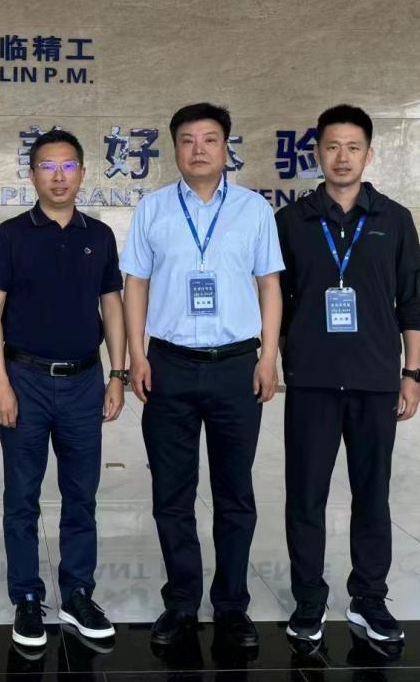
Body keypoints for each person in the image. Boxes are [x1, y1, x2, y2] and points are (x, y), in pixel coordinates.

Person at [120, 102, 284, 649]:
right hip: (168, 364)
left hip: (238, 366)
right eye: (187, 140)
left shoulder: (254, 210)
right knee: (172, 493)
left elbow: (269, 285)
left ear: (226, 147)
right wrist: (137, 355)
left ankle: (232, 606)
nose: (198, 149)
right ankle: (182, 603)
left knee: (235, 493)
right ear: (174, 148)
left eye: (210, 139)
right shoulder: (153, 208)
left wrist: (268, 357)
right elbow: (135, 284)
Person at [276, 104, 420, 648]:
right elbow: (274, 301)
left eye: (353, 147)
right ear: (317, 153)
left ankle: (369, 598)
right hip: (311, 381)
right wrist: (277, 359)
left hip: (375, 380)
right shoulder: (291, 221)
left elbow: (412, 302)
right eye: (332, 147)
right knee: (306, 497)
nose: (342, 157)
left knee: (372, 494)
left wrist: (412, 373)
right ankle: (308, 601)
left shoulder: (394, 219)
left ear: (368, 153)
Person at [0, 129, 127, 649]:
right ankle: (26, 596)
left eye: (68, 166)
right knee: (22, 496)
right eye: (47, 166)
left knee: (81, 494)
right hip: (25, 380)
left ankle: (78, 592)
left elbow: (112, 307)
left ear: (83, 173)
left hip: (85, 381)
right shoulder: (11, 235)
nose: (58, 176)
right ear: (32, 174)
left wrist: (117, 374)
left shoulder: (100, 235)